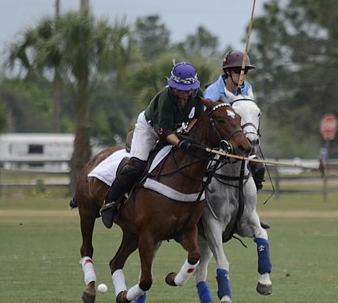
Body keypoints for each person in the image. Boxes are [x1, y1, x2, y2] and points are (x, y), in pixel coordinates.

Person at [100, 61, 204, 229]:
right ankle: (110, 201)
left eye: (188, 89)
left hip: (178, 129)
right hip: (151, 127)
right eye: (180, 89)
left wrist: (187, 134)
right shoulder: (166, 98)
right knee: (137, 165)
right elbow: (165, 132)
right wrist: (181, 143)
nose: (185, 93)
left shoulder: (197, 94)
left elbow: (197, 116)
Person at [205, 50, 266, 191]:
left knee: (259, 168)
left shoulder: (247, 88)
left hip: (240, 141)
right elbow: (207, 121)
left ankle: (251, 196)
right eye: (238, 71)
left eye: (244, 72)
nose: (241, 76)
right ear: (228, 72)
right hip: (216, 142)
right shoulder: (213, 92)